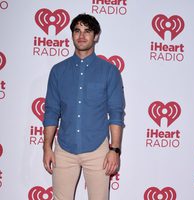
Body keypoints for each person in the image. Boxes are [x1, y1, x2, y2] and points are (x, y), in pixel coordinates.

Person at [43, 13, 125, 200]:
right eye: (77, 31)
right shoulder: (58, 71)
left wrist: (115, 150)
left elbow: (116, 114)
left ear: (95, 36)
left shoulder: (109, 71)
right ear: (72, 34)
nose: (81, 35)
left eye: (87, 31)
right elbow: (51, 112)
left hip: (98, 150)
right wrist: (47, 147)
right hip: (64, 149)